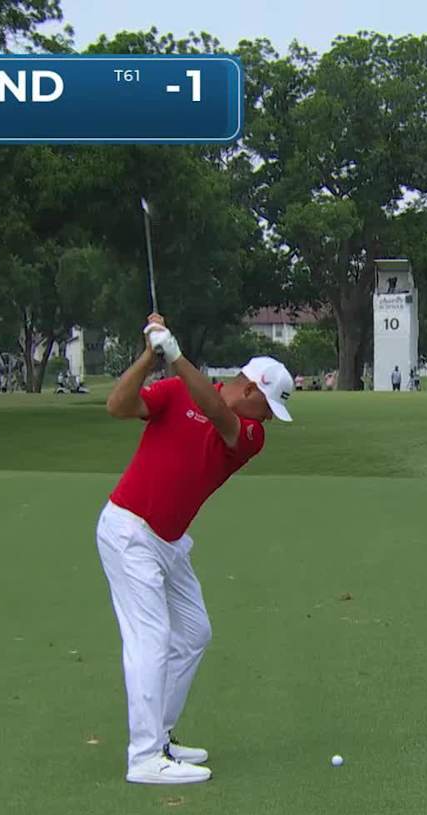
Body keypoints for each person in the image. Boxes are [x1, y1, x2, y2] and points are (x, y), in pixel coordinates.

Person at [98, 314, 294, 785]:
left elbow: (217, 413)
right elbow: (117, 406)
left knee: (193, 632)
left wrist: (176, 354)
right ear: (251, 389)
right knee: (151, 637)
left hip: (167, 542)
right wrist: (150, 356)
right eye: (268, 406)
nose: (269, 417)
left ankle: (161, 735)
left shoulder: (249, 435)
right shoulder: (174, 391)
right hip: (129, 531)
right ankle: (145, 756)